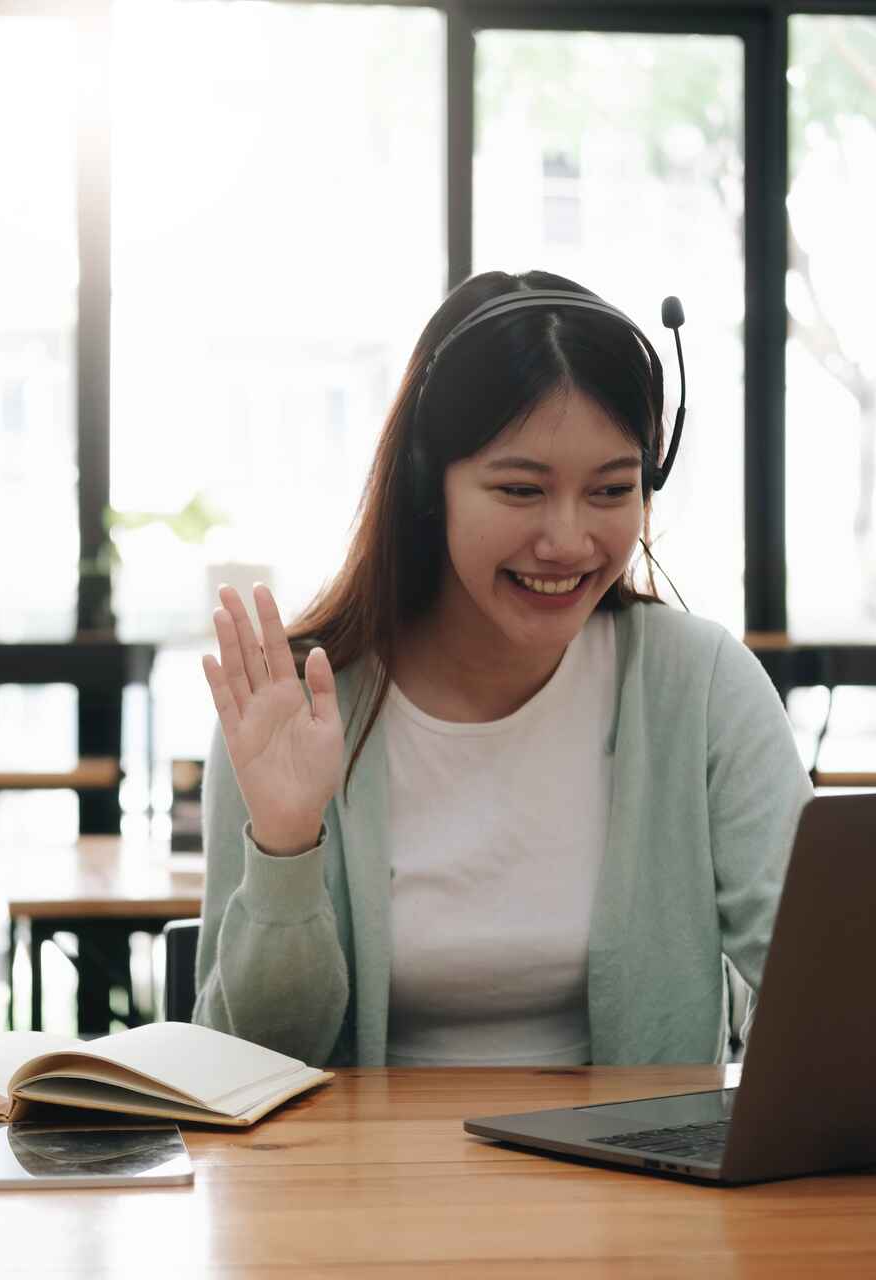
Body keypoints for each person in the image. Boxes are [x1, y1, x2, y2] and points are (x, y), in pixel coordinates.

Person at [191, 269, 811, 1069]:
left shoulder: (700, 686)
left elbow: (816, 984)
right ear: (427, 484)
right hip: (363, 1192)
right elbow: (241, 1069)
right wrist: (285, 847)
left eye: (612, 489)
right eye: (521, 489)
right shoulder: (298, 708)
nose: (567, 539)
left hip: (641, 1187)